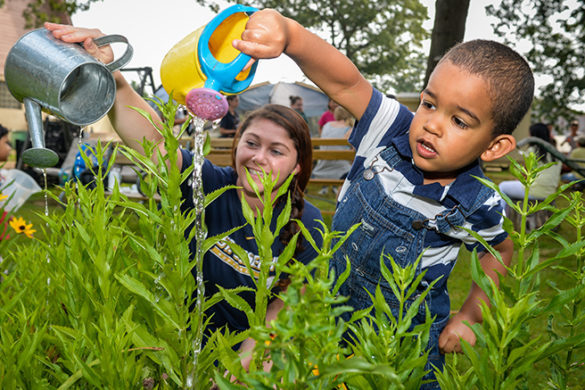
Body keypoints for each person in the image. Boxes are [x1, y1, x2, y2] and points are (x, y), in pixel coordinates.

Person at [233, 9, 533, 388]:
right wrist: (291, 36)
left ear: (494, 146)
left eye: (459, 121)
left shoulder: (474, 201)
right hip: (334, 324)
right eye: (429, 103)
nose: (433, 123)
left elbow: (499, 251)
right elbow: (345, 83)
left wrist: (473, 313)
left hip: (406, 349)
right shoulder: (389, 130)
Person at [43, 22, 324, 349]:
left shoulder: (308, 222)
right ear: (236, 147)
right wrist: (115, 77)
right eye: (251, 143)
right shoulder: (209, 186)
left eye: (276, 151)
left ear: (298, 165)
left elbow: (285, 305)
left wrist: (244, 367)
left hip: (256, 356)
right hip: (186, 352)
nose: (258, 158)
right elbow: (157, 144)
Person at [499, 123, 562, 204]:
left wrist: (518, 180)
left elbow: (525, 173)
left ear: (534, 135)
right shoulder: (555, 153)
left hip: (534, 191)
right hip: (550, 193)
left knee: (502, 186)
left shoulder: (533, 150)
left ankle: (500, 215)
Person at [311, 106, 354, 195]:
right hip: (341, 168)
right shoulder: (350, 129)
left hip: (322, 166)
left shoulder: (327, 125)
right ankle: (337, 188)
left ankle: (325, 188)